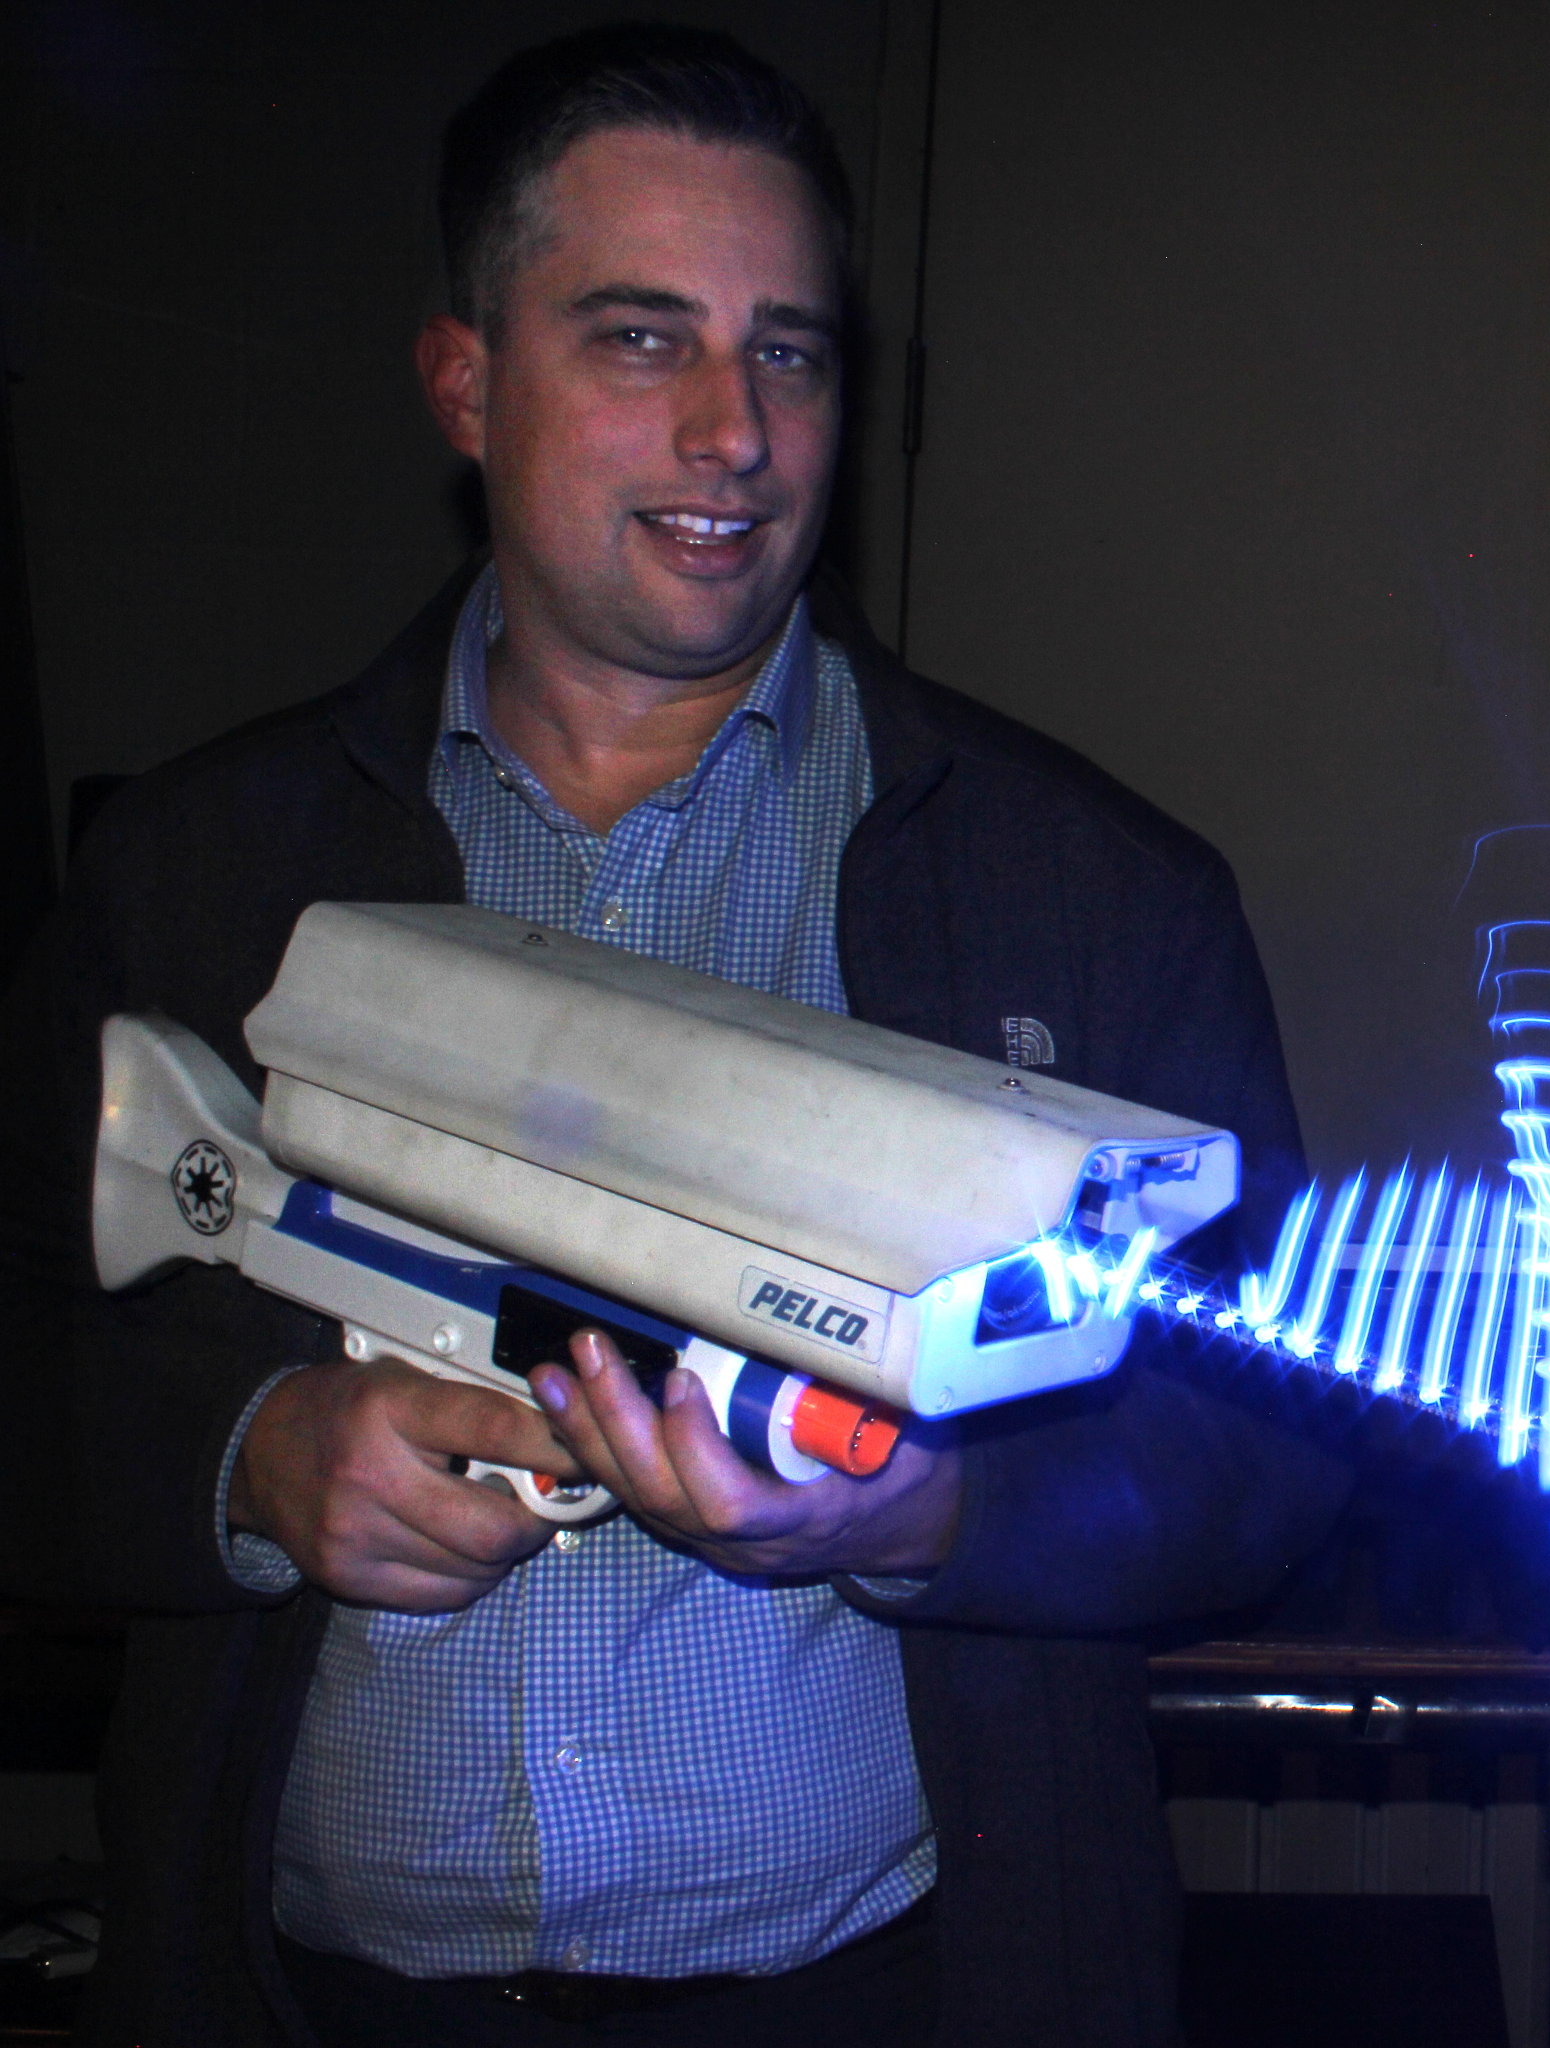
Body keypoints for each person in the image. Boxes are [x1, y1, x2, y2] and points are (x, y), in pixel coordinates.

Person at [0, 26, 1344, 2048]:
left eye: (789, 352)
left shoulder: (1096, 891)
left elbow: (1280, 1448)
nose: (737, 433)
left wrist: (928, 1513)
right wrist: (254, 1464)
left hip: (891, 2001)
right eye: (642, 340)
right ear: (466, 382)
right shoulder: (196, 870)